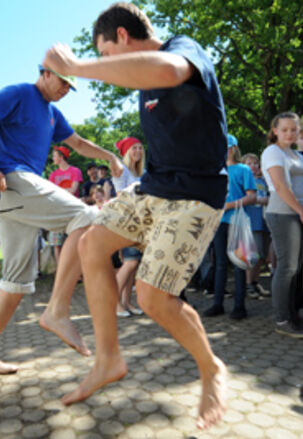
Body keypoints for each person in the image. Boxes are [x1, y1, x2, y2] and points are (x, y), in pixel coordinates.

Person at [43, 2, 230, 429]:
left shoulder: (183, 49)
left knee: (153, 298)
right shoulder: (142, 83)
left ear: (123, 36)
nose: (106, 63)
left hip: (195, 194)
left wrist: (76, 66)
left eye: (106, 53)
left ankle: (211, 367)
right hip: (153, 188)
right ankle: (107, 358)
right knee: (91, 241)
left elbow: (168, 70)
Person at [0, 63, 123, 374]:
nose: (66, 90)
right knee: (86, 217)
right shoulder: (22, 93)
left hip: (14, 199)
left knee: (15, 283)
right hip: (10, 181)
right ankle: (57, 311)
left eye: (70, 87)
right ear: (46, 72)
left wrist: (109, 155)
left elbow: (78, 143)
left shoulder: (53, 114)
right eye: (63, 82)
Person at [203, 135, 256, 319]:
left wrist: (229, 205)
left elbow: (252, 196)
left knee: (239, 263)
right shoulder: (215, 171)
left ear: (233, 148)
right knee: (219, 264)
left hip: (238, 222)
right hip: (219, 223)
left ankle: (239, 306)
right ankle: (217, 304)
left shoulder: (243, 169)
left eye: (226, 146)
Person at [261, 112, 303, 337]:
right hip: (283, 213)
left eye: (294, 129)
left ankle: (293, 312)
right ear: (275, 131)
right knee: (287, 267)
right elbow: (280, 185)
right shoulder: (273, 152)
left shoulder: (295, 153)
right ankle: (282, 319)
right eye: (285, 129)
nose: (289, 133)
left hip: (297, 213)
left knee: (297, 267)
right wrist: (300, 211)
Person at [112, 136, 145, 317]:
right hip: (127, 221)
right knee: (130, 262)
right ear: (126, 152)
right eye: (134, 148)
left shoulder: (141, 172)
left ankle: (126, 303)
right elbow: (120, 196)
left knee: (134, 263)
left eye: (140, 148)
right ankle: (114, 302)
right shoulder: (122, 170)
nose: (138, 151)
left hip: (141, 222)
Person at [241, 153, 271, 299]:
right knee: (254, 254)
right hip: (251, 222)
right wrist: (259, 200)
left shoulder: (262, 180)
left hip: (264, 221)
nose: (253, 166)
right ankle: (248, 284)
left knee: (262, 255)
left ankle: (255, 281)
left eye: (255, 163)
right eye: (249, 163)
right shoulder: (244, 179)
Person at [48, 145, 83, 263]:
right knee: (56, 242)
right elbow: (50, 193)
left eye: (54, 156)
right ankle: (60, 269)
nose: (53, 158)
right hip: (57, 210)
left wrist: (57, 190)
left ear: (61, 157)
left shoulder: (75, 171)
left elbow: (73, 190)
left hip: (72, 210)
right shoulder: (53, 175)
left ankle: (75, 269)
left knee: (73, 240)